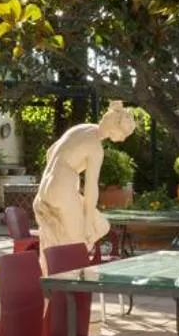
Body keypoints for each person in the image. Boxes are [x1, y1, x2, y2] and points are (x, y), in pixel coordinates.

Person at [32, 102, 139, 252]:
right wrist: (87, 223)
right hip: (63, 187)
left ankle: (57, 264)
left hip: (46, 186)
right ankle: (68, 273)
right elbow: (91, 188)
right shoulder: (96, 149)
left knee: (101, 225)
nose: (122, 139)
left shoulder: (80, 128)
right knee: (80, 242)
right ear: (115, 128)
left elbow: (50, 152)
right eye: (124, 134)